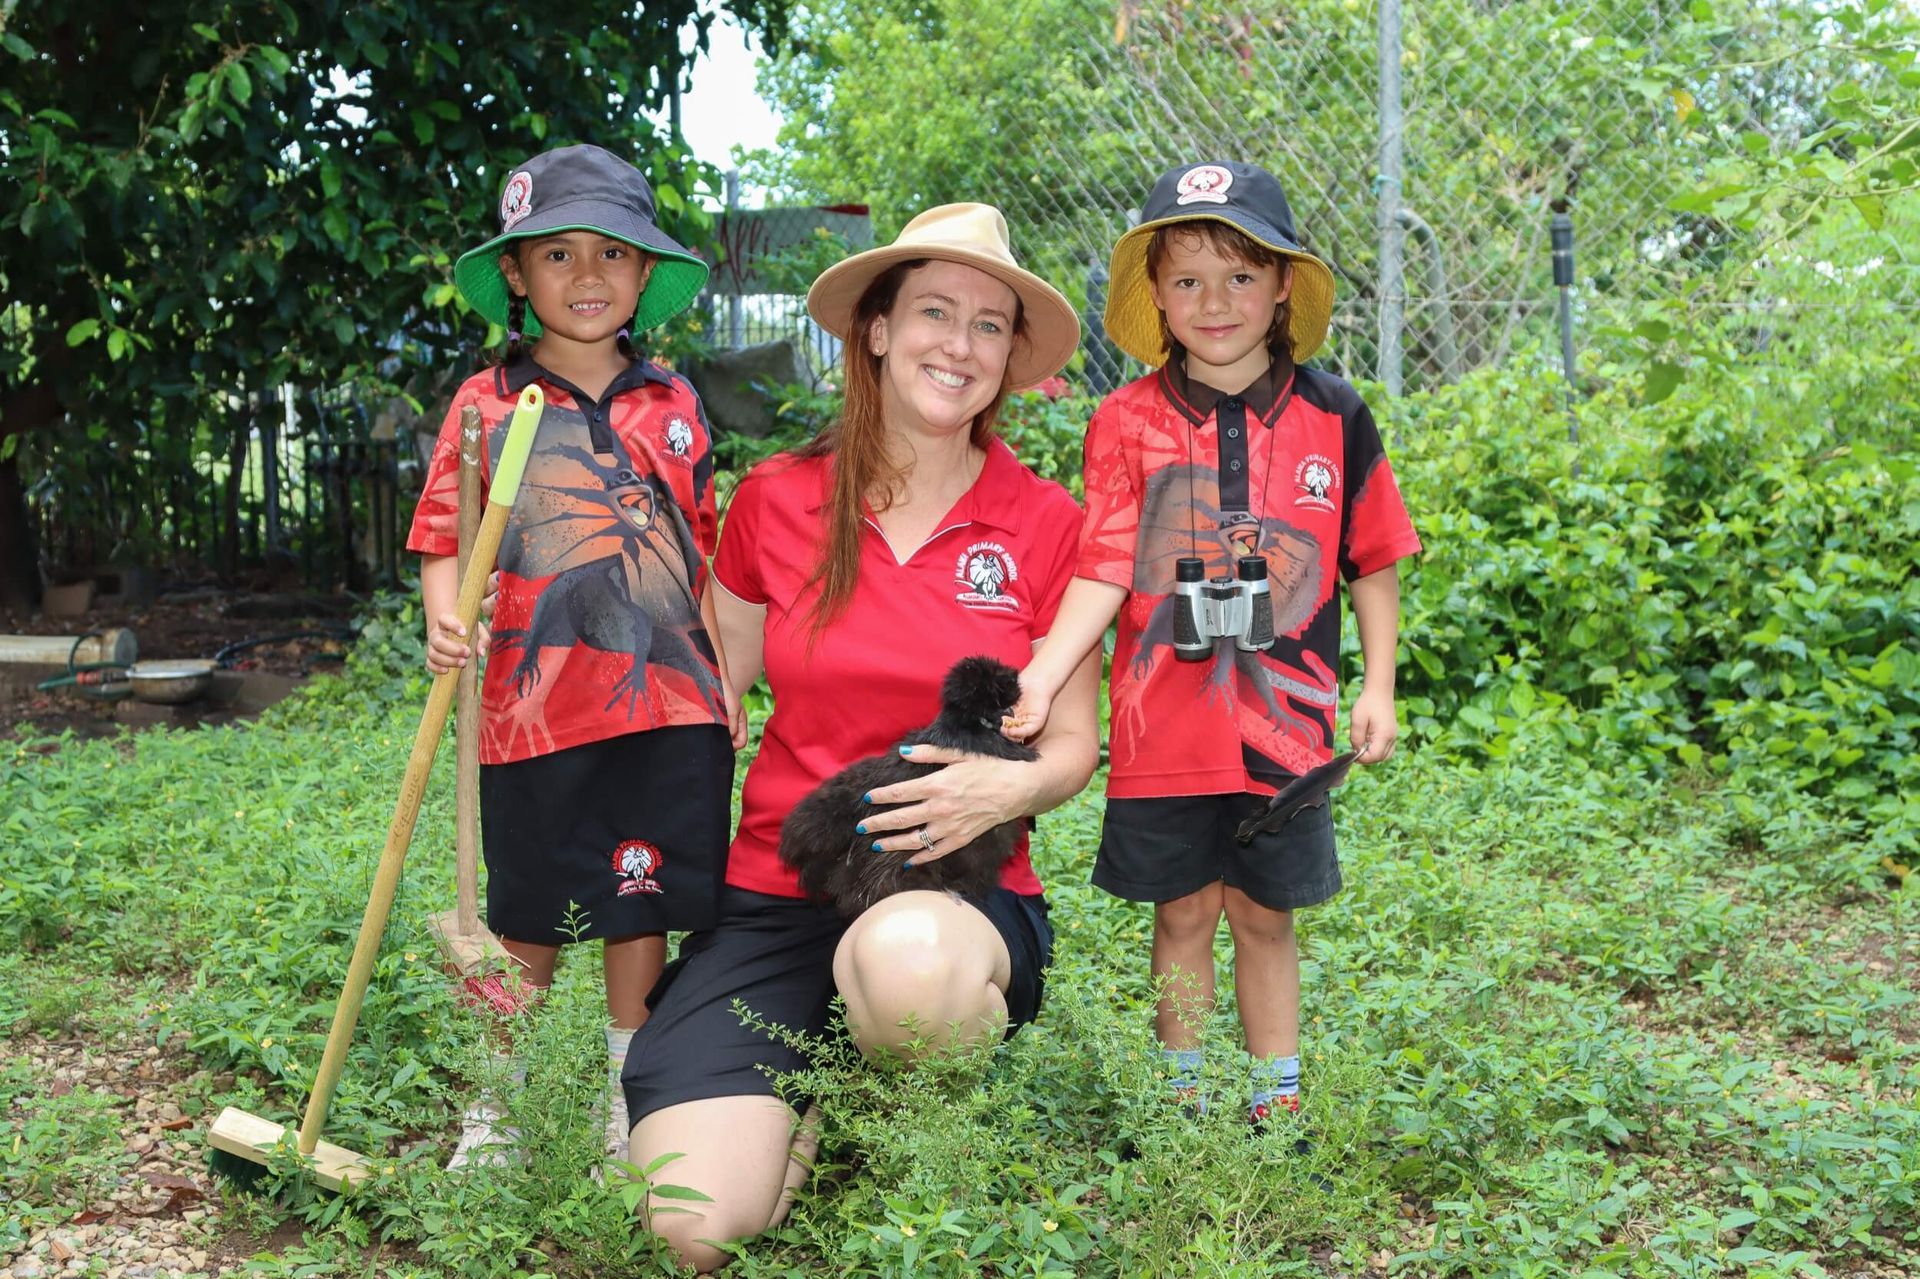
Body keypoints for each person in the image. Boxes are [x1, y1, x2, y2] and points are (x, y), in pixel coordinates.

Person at [621, 203, 1100, 1272]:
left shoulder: (1046, 524)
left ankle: (900, 1100)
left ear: (1010, 360)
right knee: (692, 1225)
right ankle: (811, 1087)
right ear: (876, 329)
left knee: (909, 966)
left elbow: (1074, 747)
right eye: (934, 311)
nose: (959, 345)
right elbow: (707, 698)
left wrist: (999, 795)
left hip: (957, 900)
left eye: (989, 326)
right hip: (776, 894)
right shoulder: (779, 500)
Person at [1006, 160, 1422, 1125]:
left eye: (1241, 275)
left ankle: (1277, 1105)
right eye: (1187, 278)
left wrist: (1380, 686)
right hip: (1166, 729)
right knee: (1184, 911)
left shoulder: (1336, 413)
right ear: (1155, 294)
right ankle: (1180, 1106)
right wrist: (1043, 670)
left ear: (1283, 286)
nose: (1215, 300)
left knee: (1265, 914)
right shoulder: (1122, 421)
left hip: (1290, 726)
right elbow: (1105, 564)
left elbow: (1375, 556)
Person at [406, 144, 742, 1164]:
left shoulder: (673, 403)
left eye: (612, 253)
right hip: (533, 710)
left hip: (671, 709)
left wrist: (729, 683)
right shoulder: (487, 403)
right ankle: (494, 1107)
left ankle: (625, 1098)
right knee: (527, 915)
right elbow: (442, 538)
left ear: (646, 273)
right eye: (558, 254)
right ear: (516, 274)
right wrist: (443, 618)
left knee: (640, 902)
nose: (587, 276)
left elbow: (704, 550)